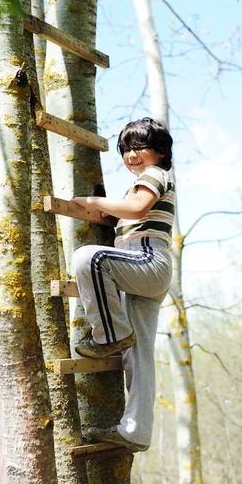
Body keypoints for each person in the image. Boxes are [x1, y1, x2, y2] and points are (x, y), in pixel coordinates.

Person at [72, 117, 175, 452]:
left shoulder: (156, 175)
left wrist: (94, 203)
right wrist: (112, 213)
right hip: (143, 270)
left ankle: (111, 335)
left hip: (147, 259)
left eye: (140, 147)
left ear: (159, 152)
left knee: (90, 258)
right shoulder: (144, 180)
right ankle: (136, 432)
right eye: (126, 149)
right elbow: (132, 210)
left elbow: (137, 208)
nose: (132, 155)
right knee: (140, 356)